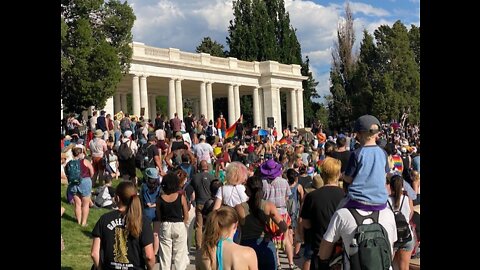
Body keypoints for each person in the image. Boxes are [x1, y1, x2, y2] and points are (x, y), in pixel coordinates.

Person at [90, 181, 155, 270]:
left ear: (117, 198)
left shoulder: (104, 219)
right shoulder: (143, 222)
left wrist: (99, 268)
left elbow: (94, 253)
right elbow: (149, 256)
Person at [300, 157, 345, 270]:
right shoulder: (345, 196)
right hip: (340, 249)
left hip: (319, 247)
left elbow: (306, 224)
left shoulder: (312, 197)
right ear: (338, 174)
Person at [237, 176, 288, 270]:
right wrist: (276, 233)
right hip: (265, 243)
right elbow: (284, 227)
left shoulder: (239, 207)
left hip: (246, 245)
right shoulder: (268, 205)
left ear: (247, 189)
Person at [342, 115, 389, 209]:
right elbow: (384, 175)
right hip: (381, 202)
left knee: (337, 213)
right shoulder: (383, 153)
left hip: (358, 200)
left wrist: (343, 175)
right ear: (377, 134)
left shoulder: (356, 154)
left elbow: (349, 178)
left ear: (359, 134)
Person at [156, 172, 189, 270]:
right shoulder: (181, 197)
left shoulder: (160, 199)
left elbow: (158, 216)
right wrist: (182, 224)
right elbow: (186, 215)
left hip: (165, 225)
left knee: (165, 256)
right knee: (180, 255)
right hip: (179, 224)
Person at [387, 175, 414, 270]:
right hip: (406, 235)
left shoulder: (386, 201)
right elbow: (411, 214)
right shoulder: (407, 199)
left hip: (392, 237)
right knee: (404, 268)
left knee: (388, 266)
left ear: (390, 186)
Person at [191, 160, 216, 249]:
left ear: (199, 167)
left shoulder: (194, 177)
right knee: (210, 225)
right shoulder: (211, 177)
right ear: (207, 167)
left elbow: (192, 190)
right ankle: (209, 245)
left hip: (199, 203)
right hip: (209, 203)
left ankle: (199, 246)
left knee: (199, 225)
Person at [66, 147, 94, 226]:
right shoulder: (85, 161)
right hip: (85, 181)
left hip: (73, 183)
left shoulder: (69, 163)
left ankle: (78, 221)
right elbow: (92, 172)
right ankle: (83, 222)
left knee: (77, 204)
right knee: (85, 204)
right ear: (80, 153)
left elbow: (67, 173)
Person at [141, 168, 162, 261]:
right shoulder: (159, 187)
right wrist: (155, 204)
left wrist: (150, 204)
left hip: (147, 212)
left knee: (146, 233)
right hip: (157, 212)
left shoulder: (144, 186)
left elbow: (145, 201)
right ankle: (155, 253)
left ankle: (146, 251)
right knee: (156, 234)